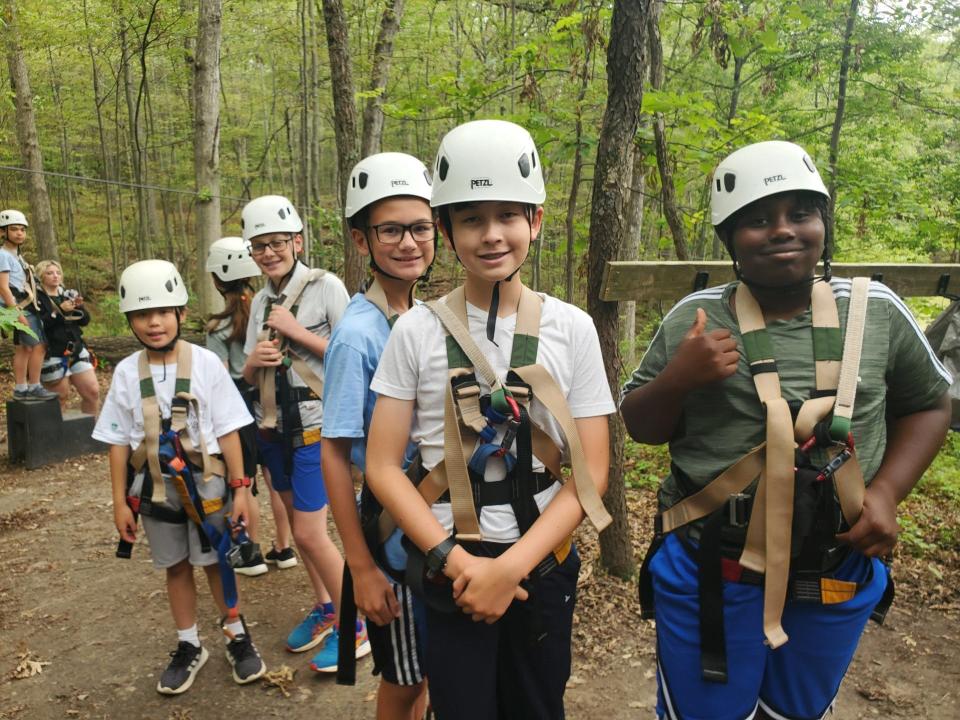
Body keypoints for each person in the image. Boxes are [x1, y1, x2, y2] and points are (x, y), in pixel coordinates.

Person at [620, 140, 953, 720]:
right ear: (729, 241)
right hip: (712, 562)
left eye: (800, 213)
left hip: (835, 562)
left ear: (823, 223)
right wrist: (679, 378)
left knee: (796, 711)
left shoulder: (876, 313)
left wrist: (886, 494)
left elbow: (930, 404)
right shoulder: (695, 318)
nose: (781, 231)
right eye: (756, 220)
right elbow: (641, 426)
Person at [365, 120, 614, 719]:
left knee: (536, 704)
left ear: (536, 220)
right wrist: (457, 562)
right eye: (472, 219)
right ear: (447, 230)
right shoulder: (416, 331)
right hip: (451, 563)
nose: (492, 234)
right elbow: (381, 466)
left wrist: (511, 569)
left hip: (541, 566)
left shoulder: (571, 328)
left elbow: (593, 470)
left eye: (508, 214)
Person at [93, 259, 266, 695]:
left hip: (207, 484)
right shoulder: (127, 373)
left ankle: (235, 633)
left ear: (181, 314)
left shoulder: (205, 363)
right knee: (176, 567)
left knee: (215, 561)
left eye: (163, 312)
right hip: (156, 488)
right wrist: (119, 503)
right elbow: (117, 442)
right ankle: (189, 643)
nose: (154, 323)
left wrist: (242, 490)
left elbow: (228, 429)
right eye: (142, 315)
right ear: (130, 320)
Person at [321, 152, 434, 707]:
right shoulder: (358, 335)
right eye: (390, 230)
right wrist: (360, 566)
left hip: (431, 521)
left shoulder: (419, 316)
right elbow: (335, 453)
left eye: (420, 228)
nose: (408, 243)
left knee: (429, 666)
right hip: (393, 537)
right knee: (405, 676)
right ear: (362, 241)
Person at [239, 195, 368, 670]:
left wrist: (297, 332)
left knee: (312, 535)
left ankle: (354, 625)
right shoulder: (260, 303)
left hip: (315, 426)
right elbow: (248, 376)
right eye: (260, 246)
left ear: (296, 241)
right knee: (296, 526)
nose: (269, 253)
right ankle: (328, 606)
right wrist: (254, 362)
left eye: (277, 243)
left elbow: (353, 353)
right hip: (273, 426)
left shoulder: (325, 286)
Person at [205, 237, 271, 577]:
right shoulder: (261, 311)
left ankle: (251, 551)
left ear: (217, 279)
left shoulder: (218, 326)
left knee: (242, 481)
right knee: (270, 481)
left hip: (234, 408)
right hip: (265, 403)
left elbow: (215, 377)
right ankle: (284, 547)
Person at [0, 209, 58, 401]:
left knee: (29, 347)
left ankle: (27, 386)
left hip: (26, 305)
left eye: (22, 230)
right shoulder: (3, 255)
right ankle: (25, 387)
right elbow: (4, 288)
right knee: (30, 346)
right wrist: (16, 313)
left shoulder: (18, 257)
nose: (19, 233)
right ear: (3, 232)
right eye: (14, 229)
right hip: (18, 307)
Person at [35, 260, 100, 415]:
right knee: (60, 398)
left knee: (93, 392)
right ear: (41, 276)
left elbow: (85, 321)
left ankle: (90, 434)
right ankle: (56, 437)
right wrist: (58, 312)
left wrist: (78, 308)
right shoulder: (36, 298)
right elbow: (38, 326)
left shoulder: (67, 293)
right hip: (52, 353)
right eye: (49, 273)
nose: (55, 276)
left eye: (57, 272)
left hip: (76, 350)